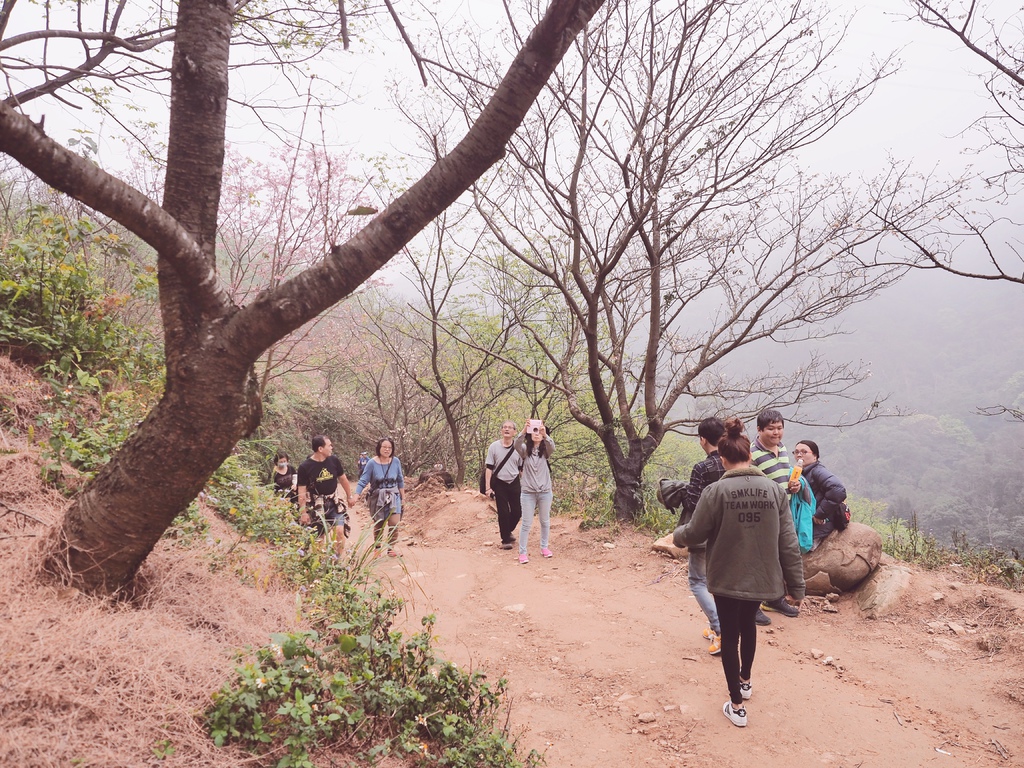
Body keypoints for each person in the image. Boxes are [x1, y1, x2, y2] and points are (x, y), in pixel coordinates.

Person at [673, 417, 806, 728]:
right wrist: (797, 588)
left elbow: (694, 533)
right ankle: (746, 681)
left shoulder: (716, 492)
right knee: (749, 626)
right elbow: (788, 542)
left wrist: (676, 536)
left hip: (725, 577)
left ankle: (736, 704)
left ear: (723, 459)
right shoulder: (774, 491)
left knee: (730, 635)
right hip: (761, 576)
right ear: (749, 454)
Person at [657, 418, 726, 656]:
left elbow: (696, 504)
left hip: (704, 532)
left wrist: (683, 490)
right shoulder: (733, 462)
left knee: (698, 582)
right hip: (728, 533)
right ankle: (716, 625)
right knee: (720, 583)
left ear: (703, 440)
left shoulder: (702, 468)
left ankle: (720, 627)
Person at [750, 408, 802, 620]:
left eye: (779, 428)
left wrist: (792, 487)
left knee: (780, 555)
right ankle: (751, 605)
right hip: (761, 514)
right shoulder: (752, 453)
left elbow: (780, 481)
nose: (776, 433)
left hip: (783, 509)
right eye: (771, 429)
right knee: (759, 557)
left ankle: (774, 598)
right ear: (759, 429)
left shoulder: (782, 449)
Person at [297, 435, 355, 554]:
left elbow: (343, 479)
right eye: (329, 445)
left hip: (333, 502)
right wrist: (303, 512)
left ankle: (337, 561)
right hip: (315, 505)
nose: (332, 448)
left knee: (339, 531)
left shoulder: (334, 461)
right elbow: (301, 491)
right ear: (320, 449)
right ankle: (321, 564)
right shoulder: (305, 467)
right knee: (319, 538)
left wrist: (349, 496)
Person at [793, 440, 848, 550]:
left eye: (804, 452)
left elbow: (838, 490)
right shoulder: (802, 472)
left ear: (815, 456)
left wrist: (820, 514)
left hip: (819, 526)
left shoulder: (817, 471)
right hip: (807, 523)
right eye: (796, 452)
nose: (799, 455)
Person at [356, 437, 406, 557]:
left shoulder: (396, 461)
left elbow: (400, 479)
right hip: (378, 496)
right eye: (384, 447)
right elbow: (363, 480)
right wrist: (356, 495)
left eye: (389, 447)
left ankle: (390, 548)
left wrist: (403, 498)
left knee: (394, 523)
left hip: (394, 496)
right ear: (379, 448)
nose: (387, 449)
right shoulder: (372, 463)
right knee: (379, 524)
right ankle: (377, 548)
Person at [514, 419, 553, 564]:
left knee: (545, 521)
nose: (536, 434)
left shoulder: (545, 452)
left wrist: (545, 434)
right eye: (534, 431)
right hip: (528, 493)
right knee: (526, 523)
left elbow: (552, 446)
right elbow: (516, 444)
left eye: (539, 432)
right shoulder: (525, 451)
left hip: (545, 492)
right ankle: (522, 552)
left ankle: (544, 547)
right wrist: (524, 430)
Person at [485, 420, 524, 550]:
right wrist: (488, 488)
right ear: (501, 431)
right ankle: (505, 540)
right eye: (504, 427)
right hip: (500, 483)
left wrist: (527, 485)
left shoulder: (519, 448)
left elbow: (521, 468)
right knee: (503, 512)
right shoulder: (494, 447)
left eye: (510, 428)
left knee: (517, 511)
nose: (507, 429)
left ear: (514, 432)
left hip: (514, 482)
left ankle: (507, 531)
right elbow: (489, 468)